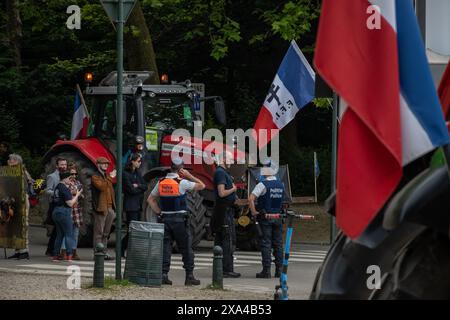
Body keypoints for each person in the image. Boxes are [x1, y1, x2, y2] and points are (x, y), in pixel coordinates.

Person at [147, 158, 205, 286]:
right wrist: (190, 176)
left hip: (165, 220)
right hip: (180, 221)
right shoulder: (182, 182)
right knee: (186, 249)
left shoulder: (161, 182)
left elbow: (150, 199)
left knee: (166, 248)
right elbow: (202, 185)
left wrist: (159, 212)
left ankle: (163, 275)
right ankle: (189, 276)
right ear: (180, 170)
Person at [248, 163, 285, 278]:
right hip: (278, 217)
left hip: (265, 218)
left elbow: (251, 199)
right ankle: (279, 270)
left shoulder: (262, 184)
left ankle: (266, 270)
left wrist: (254, 212)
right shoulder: (281, 184)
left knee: (266, 244)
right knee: (278, 244)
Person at [211, 151, 241, 278]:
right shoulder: (220, 173)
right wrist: (233, 189)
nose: (232, 161)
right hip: (224, 212)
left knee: (221, 240)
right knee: (227, 240)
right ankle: (227, 269)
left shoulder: (222, 173)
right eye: (230, 159)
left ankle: (221, 268)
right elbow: (222, 193)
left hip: (224, 210)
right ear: (223, 159)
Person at [51, 171, 82, 262]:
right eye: (69, 178)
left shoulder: (57, 187)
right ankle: (69, 256)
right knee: (69, 234)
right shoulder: (64, 188)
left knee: (59, 235)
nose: (71, 180)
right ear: (64, 179)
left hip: (56, 211)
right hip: (64, 212)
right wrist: (77, 195)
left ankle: (55, 256)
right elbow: (70, 203)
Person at [6, 154, 33, 260]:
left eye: (11, 159)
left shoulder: (22, 172)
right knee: (15, 226)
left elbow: (22, 187)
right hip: (13, 199)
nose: (8, 161)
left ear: (17, 161)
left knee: (23, 225)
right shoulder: (11, 171)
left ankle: (24, 250)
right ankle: (17, 250)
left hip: (21, 199)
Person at [121, 153, 147, 257]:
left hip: (137, 205)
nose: (140, 163)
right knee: (132, 230)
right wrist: (138, 188)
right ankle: (121, 247)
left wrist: (138, 186)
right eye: (138, 161)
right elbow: (130, 190)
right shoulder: (125, 174)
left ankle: (126, 249)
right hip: (130, 206)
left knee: (135, 230)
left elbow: (145, 186)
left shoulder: (137, 172)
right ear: (132, 161)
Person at [91, 156, 116, 259]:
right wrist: (110, 177)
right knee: (99, 232)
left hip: (110, 208)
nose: (106, 165)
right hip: (101, 208)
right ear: (98, 165)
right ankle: (97, 253)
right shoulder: (95, 176)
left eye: (107, 164)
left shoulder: (106, 177)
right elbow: (102, 187)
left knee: (106, 233)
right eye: (103, 163)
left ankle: (104, 253)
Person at [44, 157, 68, 256]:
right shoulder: (52, 176)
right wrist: (58, 193)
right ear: (57, 165)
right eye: (61, 164)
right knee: (57, 229)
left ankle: (53, 250)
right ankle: (51, 249)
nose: (63, 166)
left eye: (65, 164)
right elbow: (47, 190)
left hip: (65, 204)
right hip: (55, 204)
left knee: (59, 229)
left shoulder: (67, 176)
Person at [60, 163, 83, 260]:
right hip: (68, 209)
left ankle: (74, 251)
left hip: (76, 210)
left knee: (75, 232)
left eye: (75, 174)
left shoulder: (78, 183)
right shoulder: (64, 183)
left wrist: (80, 195)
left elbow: (80, 194)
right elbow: (65, 194)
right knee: (67, 232)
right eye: (72, 174)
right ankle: (64, 251)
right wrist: (74, 193)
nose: (74, 176)